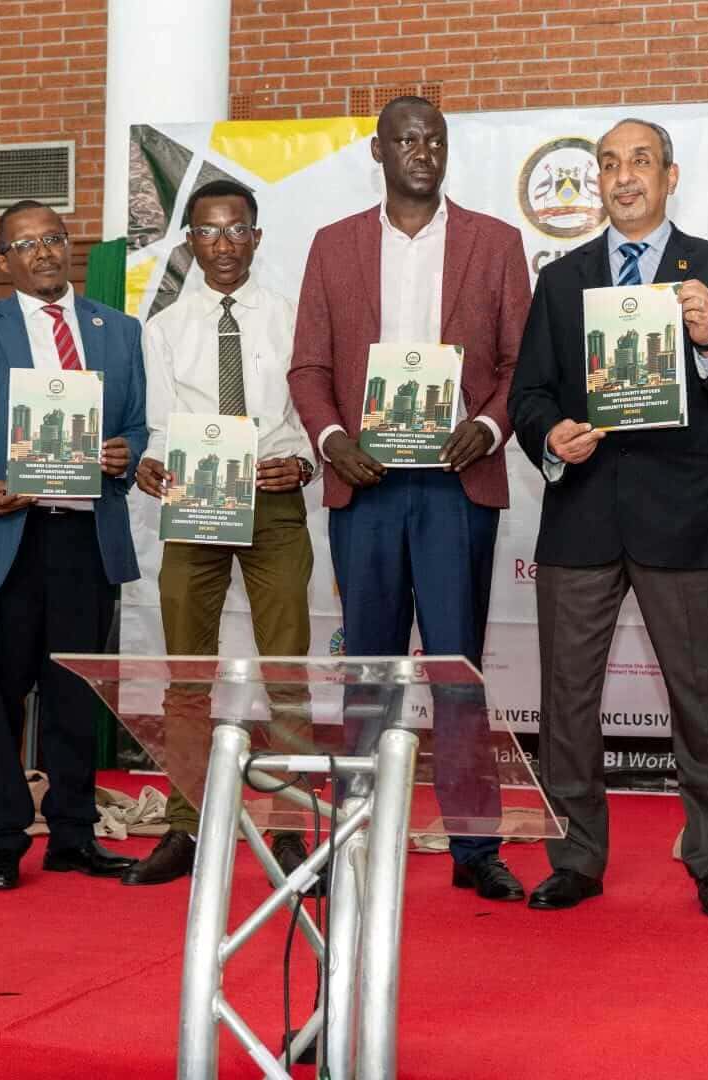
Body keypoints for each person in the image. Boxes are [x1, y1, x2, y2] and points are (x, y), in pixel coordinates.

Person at [508, 117, 708, 917]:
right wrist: (549, 435)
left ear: (669, 176)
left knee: (707, 702)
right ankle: (576, 858)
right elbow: (528, 393)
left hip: (683, 520)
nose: (624, 177)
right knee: (566, 702)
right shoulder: (562, 279)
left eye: (641, 162)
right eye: (611, 164)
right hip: (580, 515)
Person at [286, 95, 531, 902]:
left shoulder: (496, 242)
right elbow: (309, 368)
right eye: (406, 139)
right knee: (368, 672)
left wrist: (487, 428)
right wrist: (333, 442)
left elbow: (520, 364)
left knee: (456, 670)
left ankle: (474, 846)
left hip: (457, 484)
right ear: (379, 152)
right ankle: (352, 837)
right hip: (369, 484)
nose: (422, 152)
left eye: (435, 140)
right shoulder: (334, 246)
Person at [0, 200, 149, 891]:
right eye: (25, 244)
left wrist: (125, 454)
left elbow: (138, 427)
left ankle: (74, 836)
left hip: (84, 537)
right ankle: (0, 840)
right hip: (0, 535)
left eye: (54, 237)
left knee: (75, 694)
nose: (44, 252)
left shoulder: (119, 331)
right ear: (3, 261)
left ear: (69, 246)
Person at [122, 179, 320, 888]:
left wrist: (304, 462)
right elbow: (157, 426)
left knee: (286, 673)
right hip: (196, 503)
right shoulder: (164, 328)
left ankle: (292, 830)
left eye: (237, 230)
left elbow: (313, 415)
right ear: (190, 242)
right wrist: (149, 464)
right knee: (187, 675)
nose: (224, 244)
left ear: (257, 237)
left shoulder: (295, 318)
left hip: (273, 502)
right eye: (208, 231)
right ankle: (186, 826)